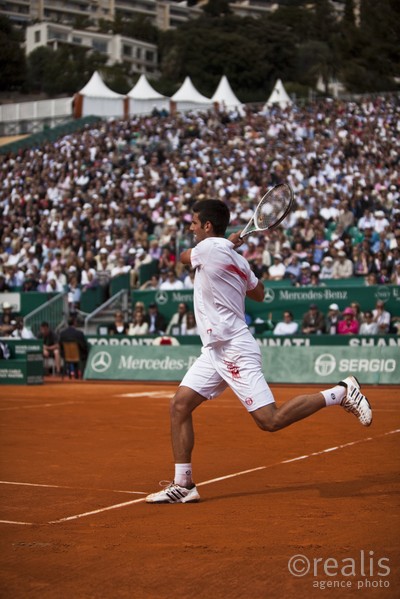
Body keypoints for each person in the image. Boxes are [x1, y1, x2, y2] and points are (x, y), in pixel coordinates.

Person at [145, 199, 372, 504]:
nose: (191, 228)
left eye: (195, 223)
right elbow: (260, 293)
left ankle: (341, 392)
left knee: (271, 420)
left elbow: (183, 257)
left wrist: (225, 244)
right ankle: (184, 485)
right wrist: (230, 252)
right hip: (214, 350)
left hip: (234, 349)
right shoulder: (236, 259)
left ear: (208, 226)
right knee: (180, 406)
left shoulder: (210, 248)